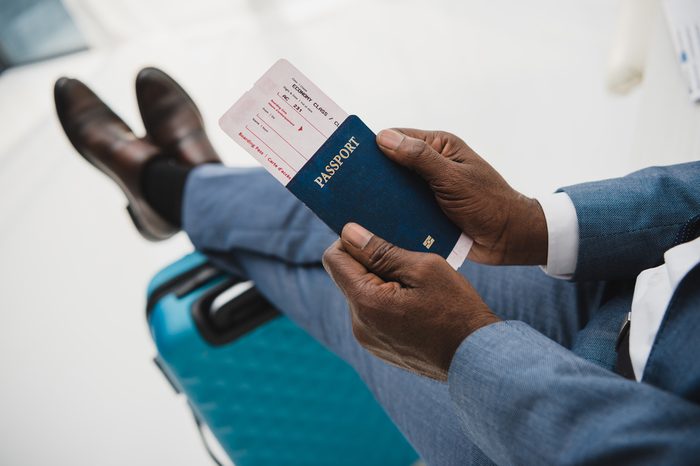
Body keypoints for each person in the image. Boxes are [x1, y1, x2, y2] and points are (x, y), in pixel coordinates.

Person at [54, 68, 700, 465]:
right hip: (631, 288)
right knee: (340, 232)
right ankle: (181, 188)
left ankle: (173, 188)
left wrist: (465, 347)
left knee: (350, 291)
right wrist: (542, 223)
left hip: (560, 433)